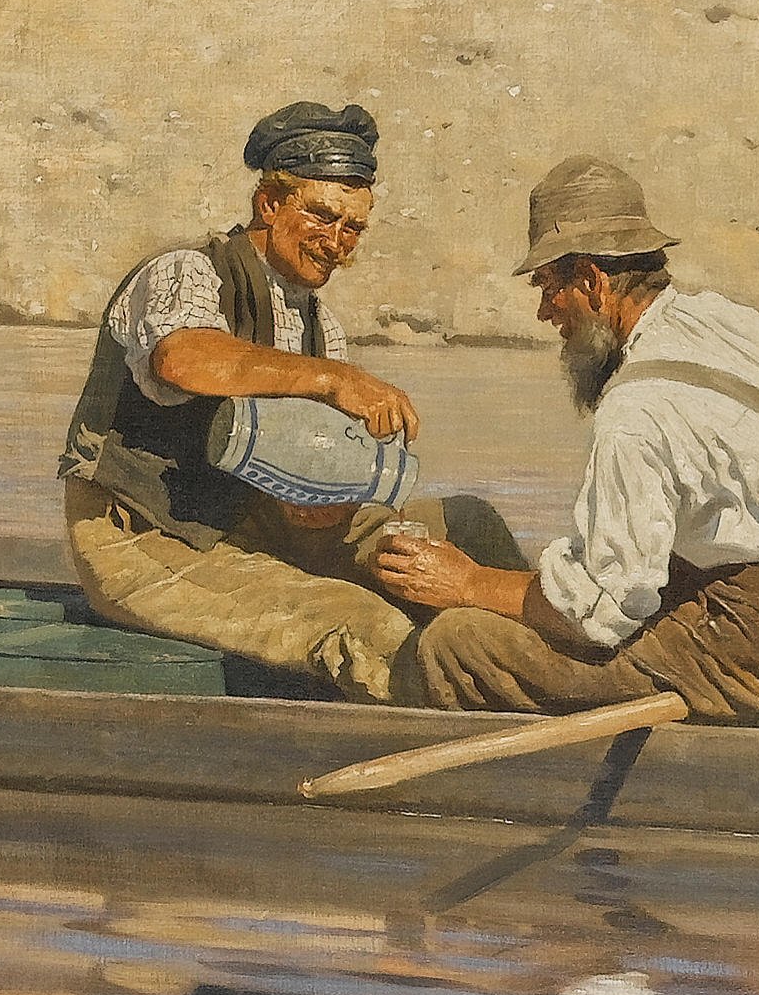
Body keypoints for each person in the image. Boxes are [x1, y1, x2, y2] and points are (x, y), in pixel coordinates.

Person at [371, 155, 759, 719]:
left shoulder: (635, 408)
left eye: (549, 287)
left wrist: (468, 582)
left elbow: (601, 613)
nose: (546, 313)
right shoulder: (743, 322)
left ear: (592, 281)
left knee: (458, 641)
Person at [53, 100, 516, 699]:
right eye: (322, 217)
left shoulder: (321, 326)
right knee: (368, 627)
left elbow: (306, 461)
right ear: (268, 204)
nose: (337, 243)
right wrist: (332, 380)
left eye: (353, 229)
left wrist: (324, 505)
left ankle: (554, 662)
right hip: (146, 539)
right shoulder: (186, 272)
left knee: (467, 526)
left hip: (254, 528)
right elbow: (184, 358)